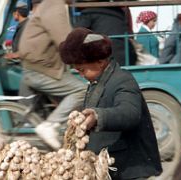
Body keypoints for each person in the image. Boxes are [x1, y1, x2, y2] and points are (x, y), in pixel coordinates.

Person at [59, 27, 162, 179]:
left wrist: (98, 117)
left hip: (128, 170)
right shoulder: (96, 82)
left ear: (100, 62)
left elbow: (129, 113)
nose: (80, 75)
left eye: (82, 70)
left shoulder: (123, 80)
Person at [18, 0, 87, 149]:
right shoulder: (54, 5)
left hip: (42, 65)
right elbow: (64, 40)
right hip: (41, 68)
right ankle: (50, 125)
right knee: (81, 89)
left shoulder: (53, 5)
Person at [74, 1, 137, 66]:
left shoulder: (88, 12)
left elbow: (76, 35)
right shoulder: (118, 11)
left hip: (104, 57)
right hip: (127, 56)